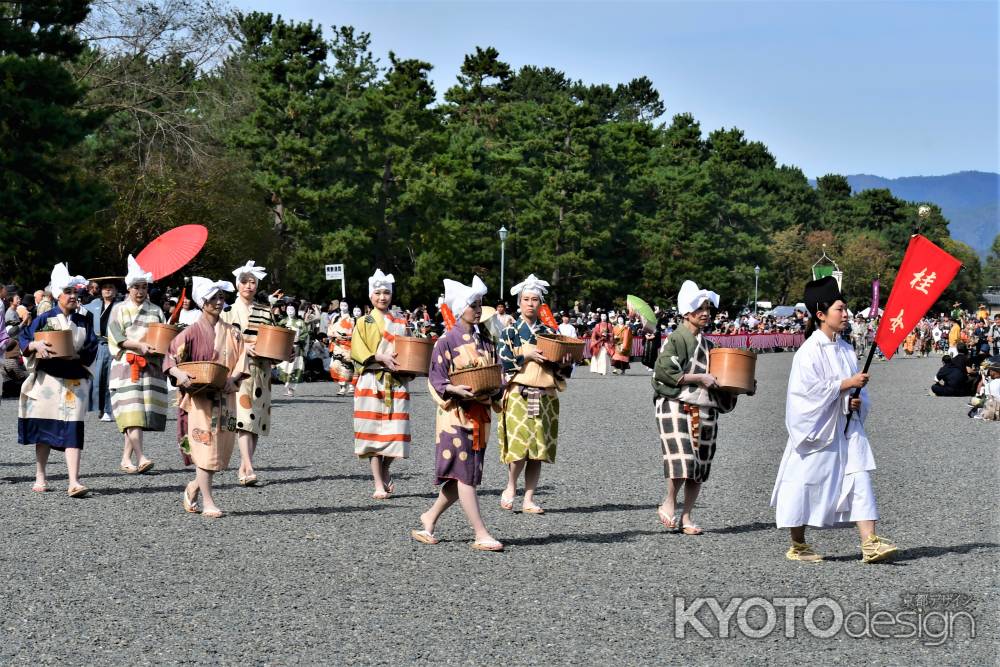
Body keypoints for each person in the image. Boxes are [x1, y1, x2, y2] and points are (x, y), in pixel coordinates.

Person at [771, 276, 898, 563]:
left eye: (845, 309)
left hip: (845, 426)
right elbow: (804, 395)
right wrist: (844, 385)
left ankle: (870, 543)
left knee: (859, 475)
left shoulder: (847, 348)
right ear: (820, 314)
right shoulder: (807, 352)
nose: (846, 314)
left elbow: (854, 391)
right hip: (816, 429)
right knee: (803, 482)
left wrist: (853, 399)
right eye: (840, 309)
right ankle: (798, 543)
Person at [412, 275, 504, 551]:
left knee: (463, 474)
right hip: (455, 417)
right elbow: (436, 379)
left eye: (480, 304)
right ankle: (480, 532)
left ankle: (429, 519)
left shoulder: (486, 340)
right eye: (473, 304)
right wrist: (454, 390)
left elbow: (496, 373)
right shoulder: (445, 342)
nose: (478, 309)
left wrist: (499, 389)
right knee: (465, 474)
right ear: (459, 308)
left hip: (479, 413)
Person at [652, 280, 740, 535]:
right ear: (686, 312)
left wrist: (739, 386)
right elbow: (664, 370)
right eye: (700, 308)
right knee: (682, 458)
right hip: (675, 403)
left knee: (700, 463)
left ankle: (687, 516)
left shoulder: (710, 345)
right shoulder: (676, 339)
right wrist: (698, 378)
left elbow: (720, 379)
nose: (705, 313)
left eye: (707, 309)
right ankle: (669, 501)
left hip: (704, 406)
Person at [164, 277, 248, 519]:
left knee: (221, 449)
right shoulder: (190, 332)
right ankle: (209, 501)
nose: (219, 302)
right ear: (203, 302)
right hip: (200, 400)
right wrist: (179, 373)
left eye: (221, 297)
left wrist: (234, 378)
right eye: (213, 298)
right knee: (204, 448)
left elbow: (242, 360)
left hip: (226, 397)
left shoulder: (232, 332)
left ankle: (193, 487)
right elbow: (171, 357)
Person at [17, 263, 98, 497]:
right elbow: (24, 339)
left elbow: (92, 347)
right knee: (43, 427)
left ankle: (74, 480)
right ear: (56, 295)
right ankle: (40, 475)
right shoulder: (43, 318)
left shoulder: (84, 320)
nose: (73, 296)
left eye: (75, 292)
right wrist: (34, 345)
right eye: (68, 292)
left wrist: (77, 355)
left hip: (74, 379)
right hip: (48, 381)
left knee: (73, 427)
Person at [497, 274, 573, 514]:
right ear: (519, 303)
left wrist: (565, 361)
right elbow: (503, 362)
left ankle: (529, 497)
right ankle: (511, 486)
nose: (530, 303)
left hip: (544, 394)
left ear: (541, 304)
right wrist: (525, 356)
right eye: (526, 299)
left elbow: (561, 368)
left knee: (538, 449)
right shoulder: (509, 331)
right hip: (519, 392)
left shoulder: (550, 332)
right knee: (520, 446)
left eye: (534, 300)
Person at [351, 269, 412, 499]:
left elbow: (407, 349)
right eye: (378, 292)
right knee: (373, 433)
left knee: (396, 432)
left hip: (396, 381)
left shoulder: (400, 321)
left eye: (386, 292)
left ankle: (386, 468)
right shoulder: (363, 321)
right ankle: (378, 482)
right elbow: (357, 351)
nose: (382, 297)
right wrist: (380, 357)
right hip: (372, 380)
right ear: (370, 296)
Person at [107, 256, 168, 474]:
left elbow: (163, 334)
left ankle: (125, 458)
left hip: (150, 365)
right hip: (126, 364)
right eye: (136, 287)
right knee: (132, 411)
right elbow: (116, 337)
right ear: (129, 288)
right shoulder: (118, 309)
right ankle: (141, 457)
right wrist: (139, 346)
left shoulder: (156, 310)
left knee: (137, 415)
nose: (140, 291)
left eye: (143, 287)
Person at [221, 260, 275, 486]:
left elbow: (274, 339)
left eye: (253, 282)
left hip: (261, 371)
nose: (249, 286)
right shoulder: (226, 312)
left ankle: (245, 465)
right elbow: (221, 342)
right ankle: (249, 466)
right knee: (243, 419)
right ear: (237, 285)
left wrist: (283, 353)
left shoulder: (265, 311)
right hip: (238, 371)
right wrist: (243, 346)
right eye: (245, 282)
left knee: (256, 420)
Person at [83, 276, 122, 422]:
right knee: (97, 378)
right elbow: (82, 314)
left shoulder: (121, 305)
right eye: (105, 287)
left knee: (111, 379)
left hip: (115, 345)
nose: (108, 290)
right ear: (101, 290)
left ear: (116, 290)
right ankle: (99, 408)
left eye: (111, 287)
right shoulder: (95, 303)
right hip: (97, 346)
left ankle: (109, 409)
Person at [277, 304, 308, 396]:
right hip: (285, 348)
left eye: (292, 309)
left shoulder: (300, 322)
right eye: (288, 309)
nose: (290, 311)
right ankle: (286, 385)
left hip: (297, 348)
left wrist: (300, 339)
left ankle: (291, 389)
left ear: (296, 310)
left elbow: (305, 334)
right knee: (284, 366)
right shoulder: (282, 321)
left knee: (295, 368)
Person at [327, 301, 356, 395]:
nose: (343, 307)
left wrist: (348, 337)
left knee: (347, 366)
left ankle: (349, 385)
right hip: (337, 344)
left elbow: (356, 332)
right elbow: (330, 329)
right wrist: (333, 336)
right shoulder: (335, 318)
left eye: (345, 305)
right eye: (341, 305)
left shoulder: (353, 319)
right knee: (336, 365)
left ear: (349, 306)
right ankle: (342, 386)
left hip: (349, 345)